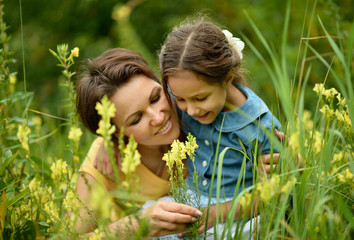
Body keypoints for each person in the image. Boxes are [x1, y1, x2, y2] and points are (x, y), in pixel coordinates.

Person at [159, 19, 282, 238]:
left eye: (200, 98)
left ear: (227, 78)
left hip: (234, 212)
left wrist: (215, 214)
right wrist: (105, 145)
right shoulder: (183, 92)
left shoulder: (259, 125)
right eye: (181, 99)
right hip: (191, 198)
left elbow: (270, 194)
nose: (191, 110)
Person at [75, 48, 202, 238]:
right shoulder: (103, 164)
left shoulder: (195, 111)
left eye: (155, 98)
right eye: (136, 119)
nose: (158, 117)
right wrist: (136, 225)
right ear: (116, 132)